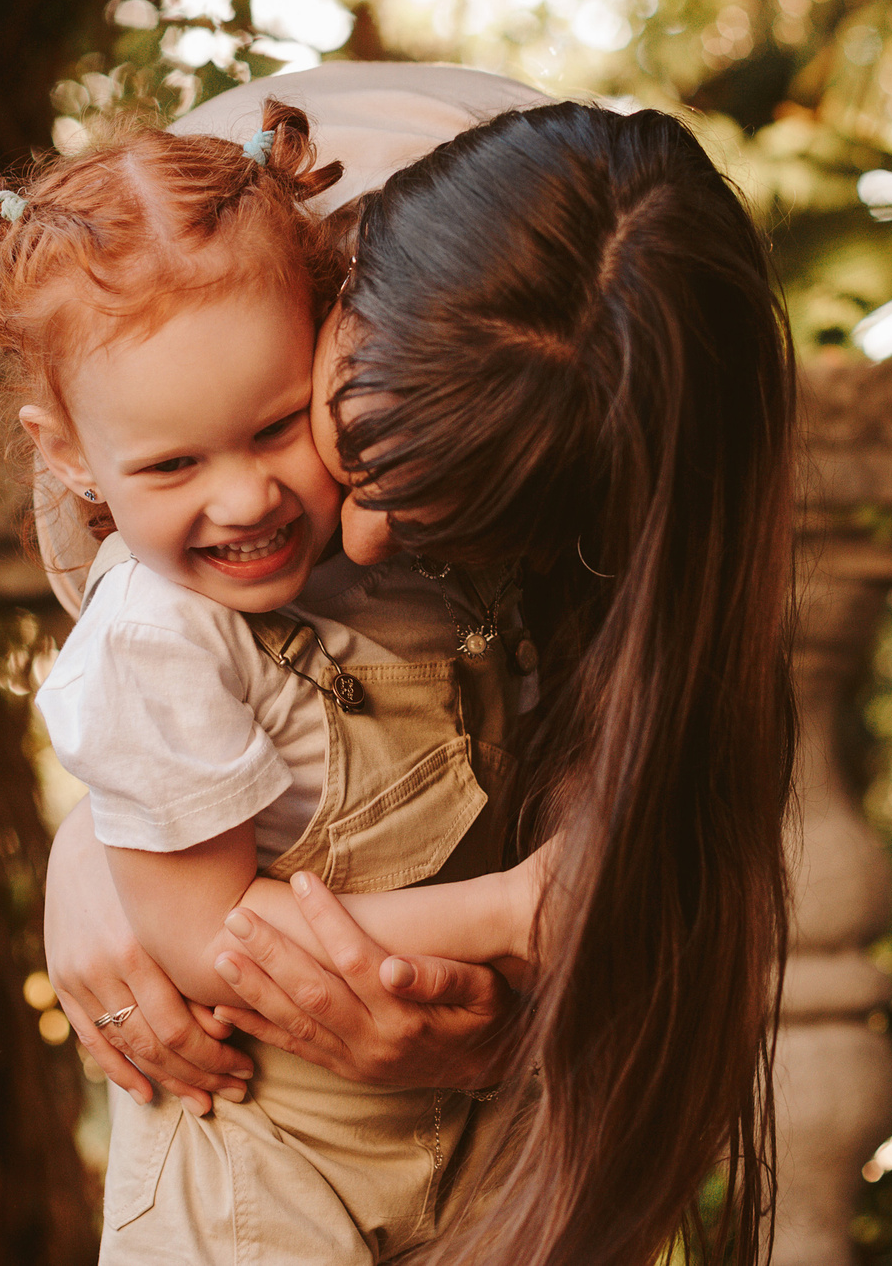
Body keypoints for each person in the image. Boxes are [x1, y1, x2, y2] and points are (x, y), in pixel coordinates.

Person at [41, 70, 801, 1266]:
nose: (361, 544)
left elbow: (635, 894)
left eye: (452, 532)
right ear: (329, 283)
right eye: (359, 450)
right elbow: (139, 661)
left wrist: (507, 1030)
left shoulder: (647, 491)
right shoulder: (179, 268)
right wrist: (96, 843)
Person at [0, 99, 554, 1263]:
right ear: (68, 453)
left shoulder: (411, 558)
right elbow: (205, 936)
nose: (244, 500)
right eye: (172, 464)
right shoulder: (154, 638)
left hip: (466, 1139)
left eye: (277, 428)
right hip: (251, 1166)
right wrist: (516, 912)